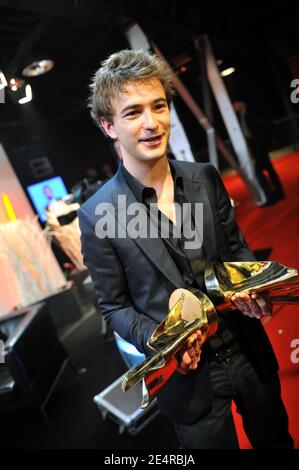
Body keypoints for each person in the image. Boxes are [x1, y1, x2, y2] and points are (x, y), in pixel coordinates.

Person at [78, 50, 293, 449]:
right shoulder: (97, 214)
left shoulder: (204, 177)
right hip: (187, 380)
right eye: (133, 112)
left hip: (248, 351)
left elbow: (235, 249)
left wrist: (252, 284)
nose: (151, 123)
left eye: (159, 106)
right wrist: (163, 338)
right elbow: (114, 306)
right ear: (109, 126)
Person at [233, 101, 285, 205]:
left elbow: (266, 124)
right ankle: (277, 193)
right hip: (256, 145)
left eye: (234, 105)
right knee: (268, 169)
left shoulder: (250, 111)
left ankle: (271, 196)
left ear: (240, 103)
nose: (234, 108)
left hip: (259, 145)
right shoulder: (243, 114)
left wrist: (262, 140)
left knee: (260, 172)